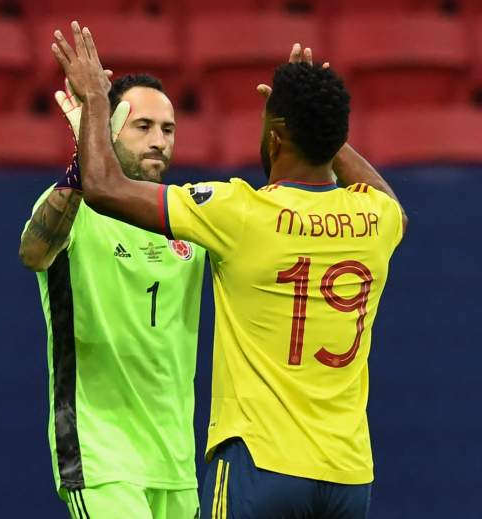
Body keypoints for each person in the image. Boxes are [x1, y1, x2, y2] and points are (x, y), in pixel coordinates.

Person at [51, 22, 408, 518]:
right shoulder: (376, 219)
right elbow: (394, 204)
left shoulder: (241, 212)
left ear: (278, 136)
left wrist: (94, 97)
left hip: (260, 463)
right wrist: (323, 129)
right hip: (347, 473)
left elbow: (104, 186)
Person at [19, 72, 206, 519]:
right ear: (107, 129)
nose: (158, 140)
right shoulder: (73, 206)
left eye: (167, 129)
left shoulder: (188, 218)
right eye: (142, 127)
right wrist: (86, 164)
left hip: (177, 462)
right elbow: (34, 252)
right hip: (102, 453)